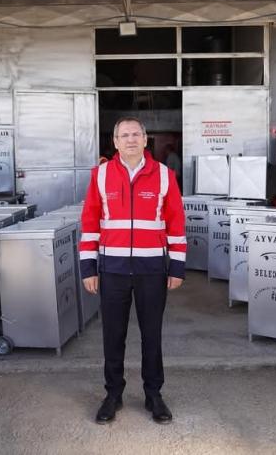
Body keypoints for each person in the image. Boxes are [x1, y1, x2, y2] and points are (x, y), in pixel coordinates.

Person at [79, 117, 186, 425]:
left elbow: (176, 224)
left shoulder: (165, 175)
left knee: (151, 336)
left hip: (151, 269)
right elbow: (90, 224)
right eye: (123, 135)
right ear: (114, 142)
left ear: (145, 139)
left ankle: (154, 395)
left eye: (135, 134)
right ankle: (113, 394)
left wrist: (176, 266)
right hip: (111, 269)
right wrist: (89, 267)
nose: (130, 139)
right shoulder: (100, 176)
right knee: (113, 336)